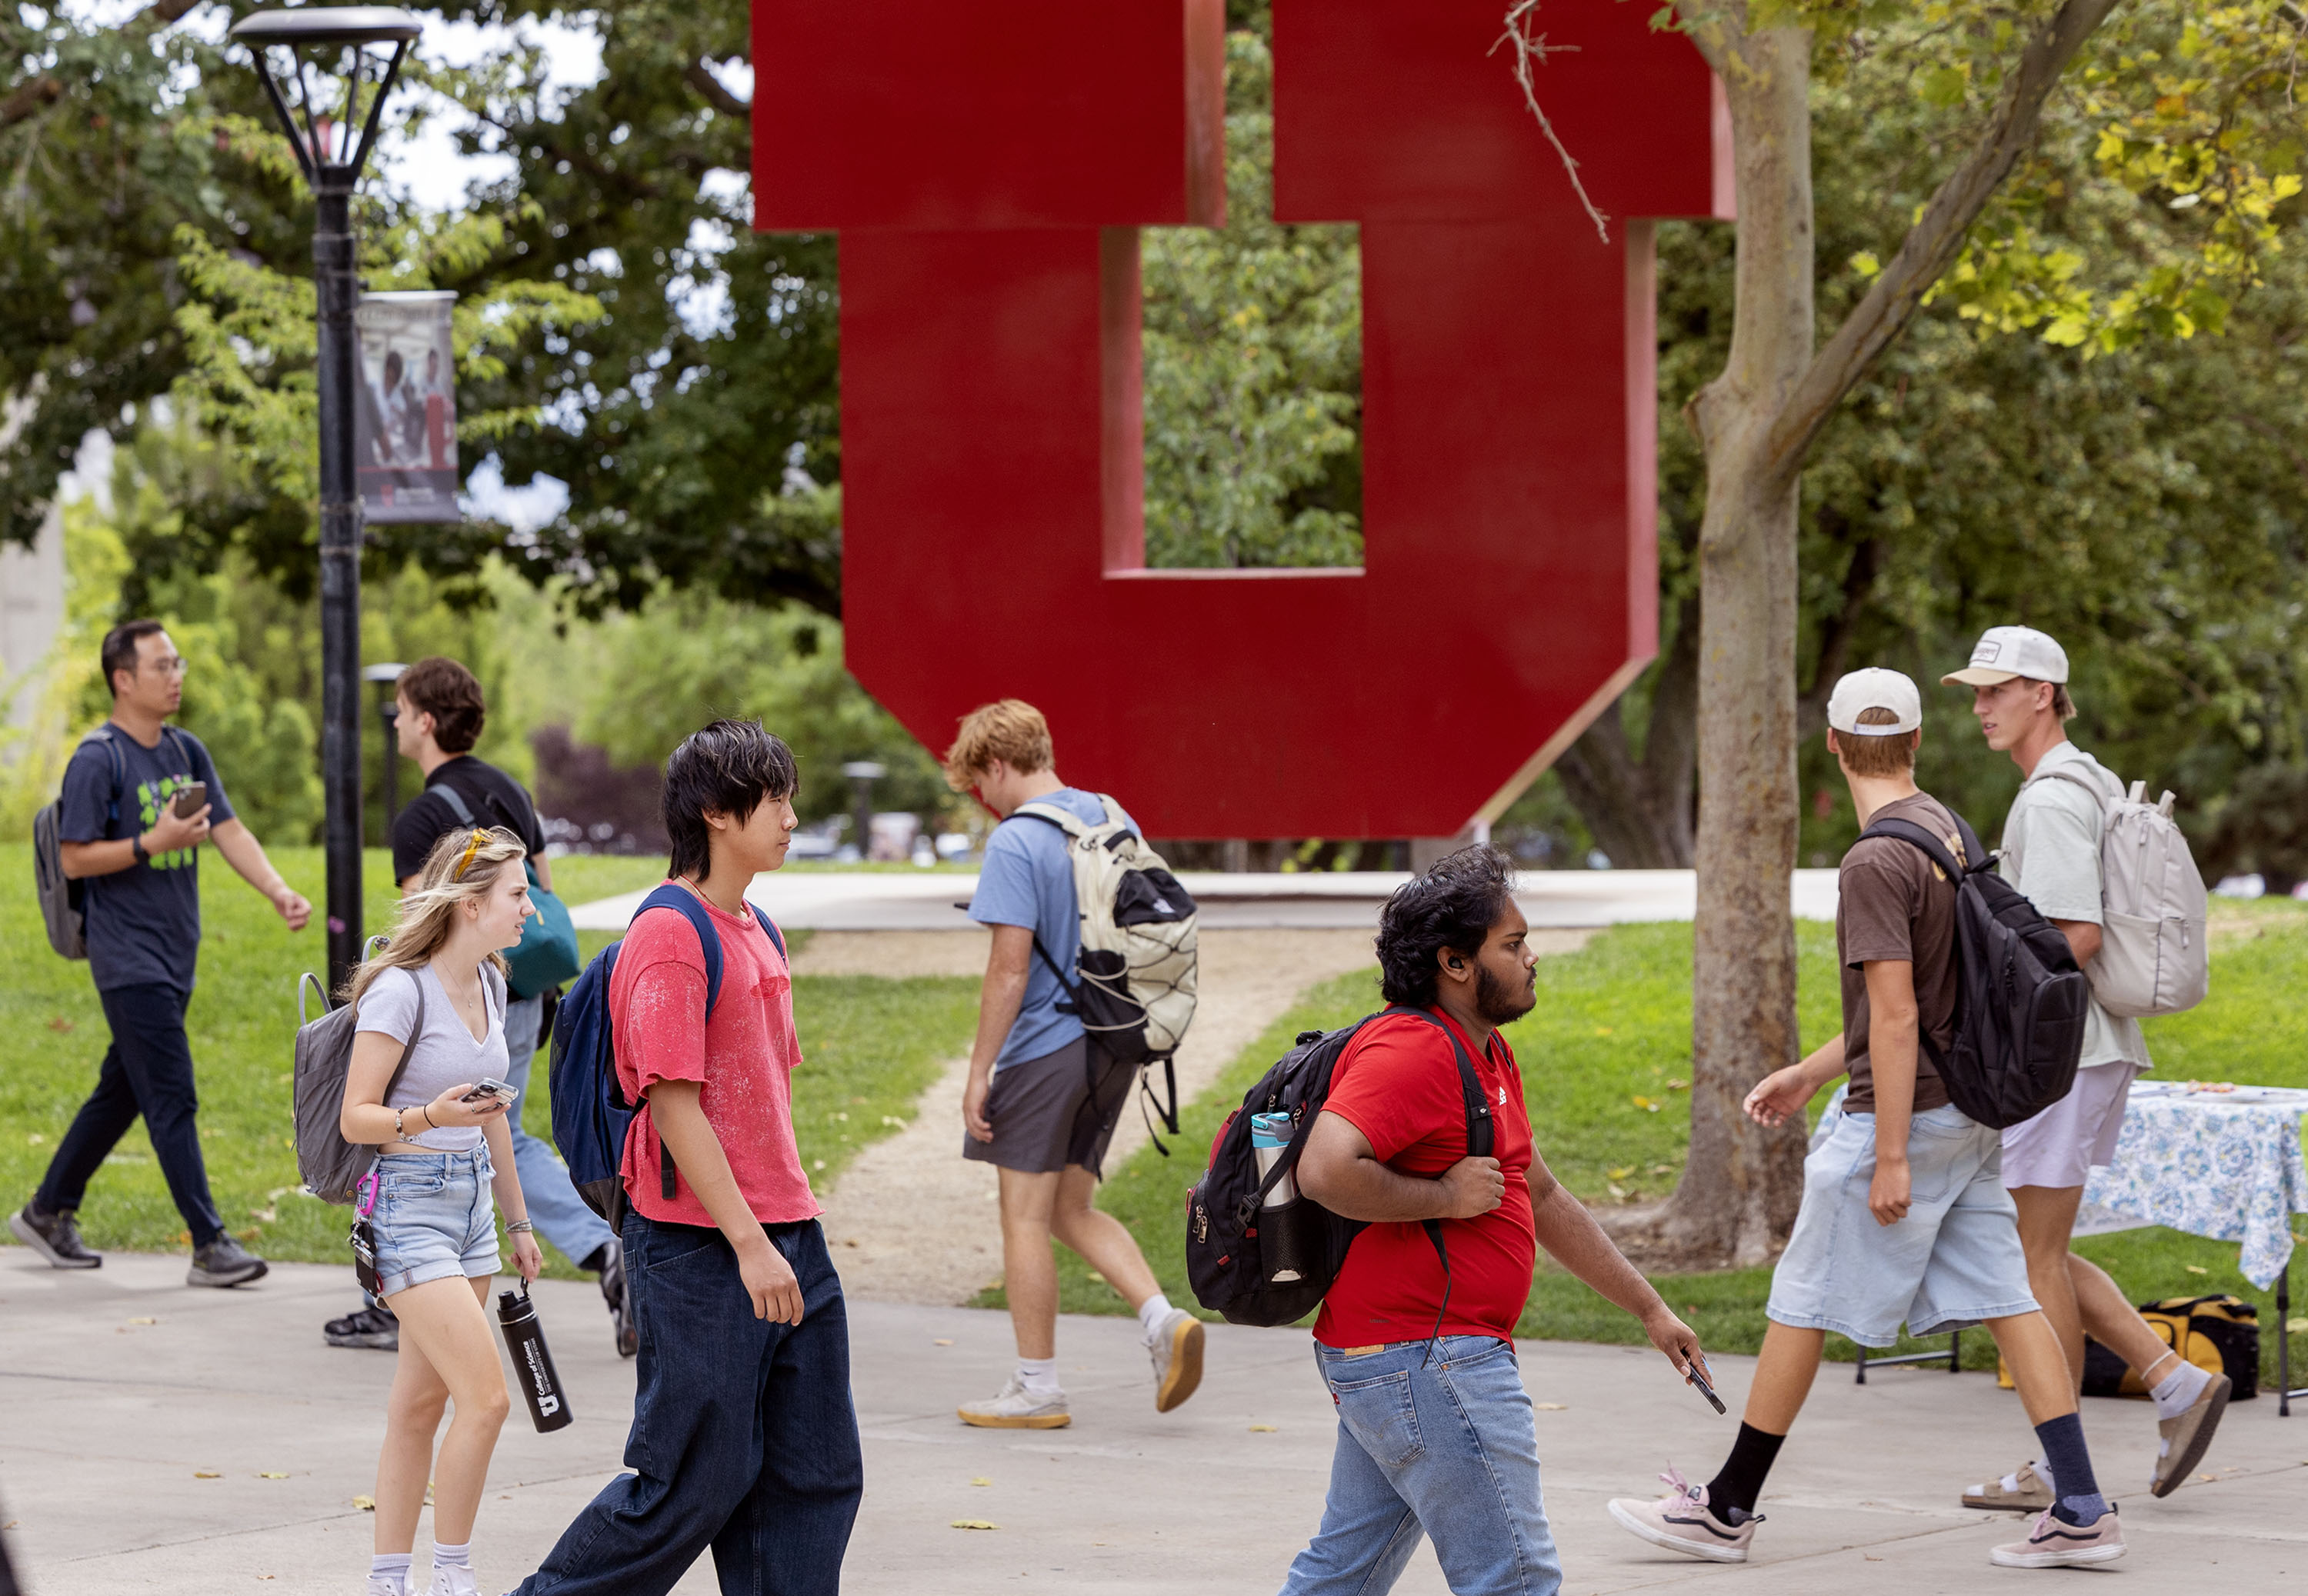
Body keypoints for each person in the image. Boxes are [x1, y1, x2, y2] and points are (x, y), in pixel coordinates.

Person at [1607, 668, 2128, 1570]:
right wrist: (1812, 1073)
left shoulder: (1872, 860)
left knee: (1801, 1298)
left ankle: (1725, 1508)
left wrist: (1889, 1154)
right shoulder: (1947, 828)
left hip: (1909, 1119)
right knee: (2009, 1295)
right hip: (1967, 1110)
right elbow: (1924, 999)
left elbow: (1894, 1016)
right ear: (1918, 742)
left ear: (1836, 744)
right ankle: (2081, 1504)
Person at [1279, 845, 1707, 1596]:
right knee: (1513, 1577)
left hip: (1402, 1358)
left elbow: (1538, 1195)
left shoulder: (1485, 1051)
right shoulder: (1414, 1049)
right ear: (1453, 962)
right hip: (1431, 1359)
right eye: (1512, 944)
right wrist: (1444, 1198)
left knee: (1339, 1579)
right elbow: (1324, 1168)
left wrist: (1649, 1306)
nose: (1532, 957)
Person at [512, 719, 860, 1596]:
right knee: (689, 1484)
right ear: (715, 811)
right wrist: (748, 1243)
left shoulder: (757, 924)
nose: (789, 814)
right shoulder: (669, 934)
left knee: (810, 1479)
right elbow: (673, 1103)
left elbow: (763, 1096)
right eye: (772, 796)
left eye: (789, 793)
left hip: (788, 1233)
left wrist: (781, 1230)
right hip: (704, 1246)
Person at [1943, 625, 2226, 1503]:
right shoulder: (2092, 779)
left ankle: (2055, 1471)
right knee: (2043, 1249)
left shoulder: (2050, 800)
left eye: (1998, 689)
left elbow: (2076, 934)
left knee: (2027, 1255)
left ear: (2045, 692)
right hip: (2096, 1049)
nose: (1982, 705)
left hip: (2060, 1055)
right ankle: (2175, 1381)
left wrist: (1982, 996)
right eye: (1977, 690)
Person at [324, 657, 628, 1358]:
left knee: (476, 1129)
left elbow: (424, 931)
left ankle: (588, 1249)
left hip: (465, 996)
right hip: (521, 994)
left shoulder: (423, 816)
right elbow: (541, 896)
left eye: (401, 709)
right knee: (500, 1128)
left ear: (426, 721)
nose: (395, 721)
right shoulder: (510, 788)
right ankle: (585, 1249)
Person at [12, 619, 310, 1287]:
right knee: (171, 1092)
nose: (176, 675)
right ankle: (210, 1243)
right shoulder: (98, 758)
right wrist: (152, 841)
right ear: (124, 678)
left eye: (178, 663)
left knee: (124, 1089)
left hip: (178, 952)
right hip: (126, 956)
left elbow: (227, 829)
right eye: (162, 665)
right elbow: (74, 856)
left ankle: (47, 1209)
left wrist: (277, 890)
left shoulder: (185, 749)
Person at [943, 698, 1204, 1428]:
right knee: (1071, 1206)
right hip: (1113, 1042)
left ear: (998, 763)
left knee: (1022, 1214)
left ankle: (1037, 1386)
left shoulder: (1016, 841)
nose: (982, 798)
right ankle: (1162, 1321)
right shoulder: (1108, 815)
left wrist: (978, 1073)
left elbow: (1008, 970)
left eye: (978, 782)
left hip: (1044, 1048)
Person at [340, 825, 545, 1596]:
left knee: (420, 1403)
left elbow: (494, 1114)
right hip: (406, 1206)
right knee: (487, 1398)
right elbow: (356, 1116)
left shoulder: (492, 982)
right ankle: (452, 1575)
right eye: (518, 894)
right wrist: (428, 1116)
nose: (531, 908)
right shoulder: (401, 989)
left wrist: (518, 1220)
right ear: (469, 902)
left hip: (472, 1216)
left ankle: (388, 1580)